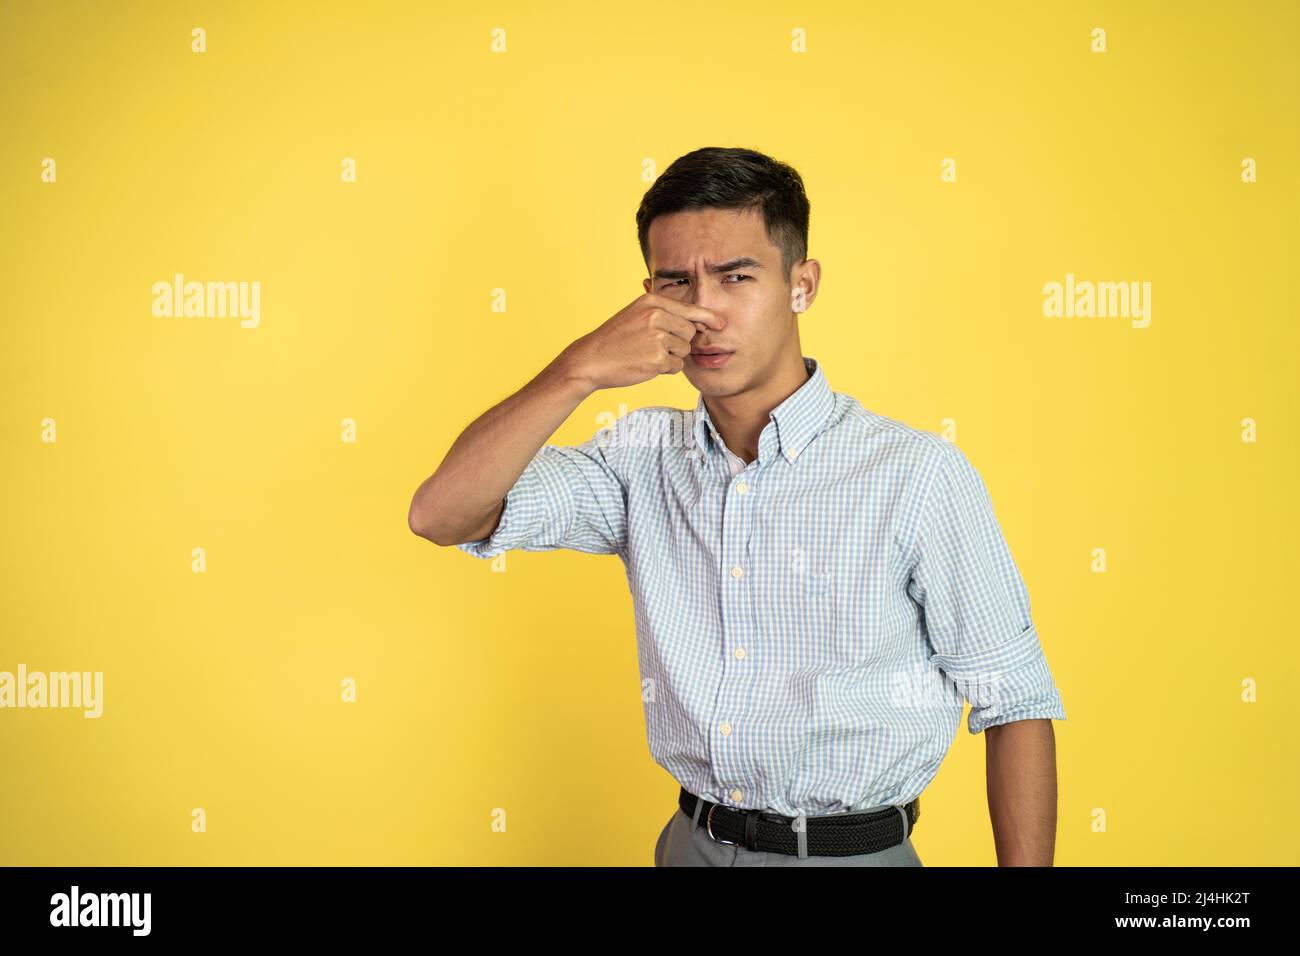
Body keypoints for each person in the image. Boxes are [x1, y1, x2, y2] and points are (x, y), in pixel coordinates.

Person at [409, 146, 1066, 867]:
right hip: (690, 847)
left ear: (801, 284)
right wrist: (579, 369)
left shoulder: (916, 475)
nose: (702, 310)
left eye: (735, 277)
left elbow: (1016, 702)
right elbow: (443, 515)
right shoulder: (639, 459)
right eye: (675, 283)